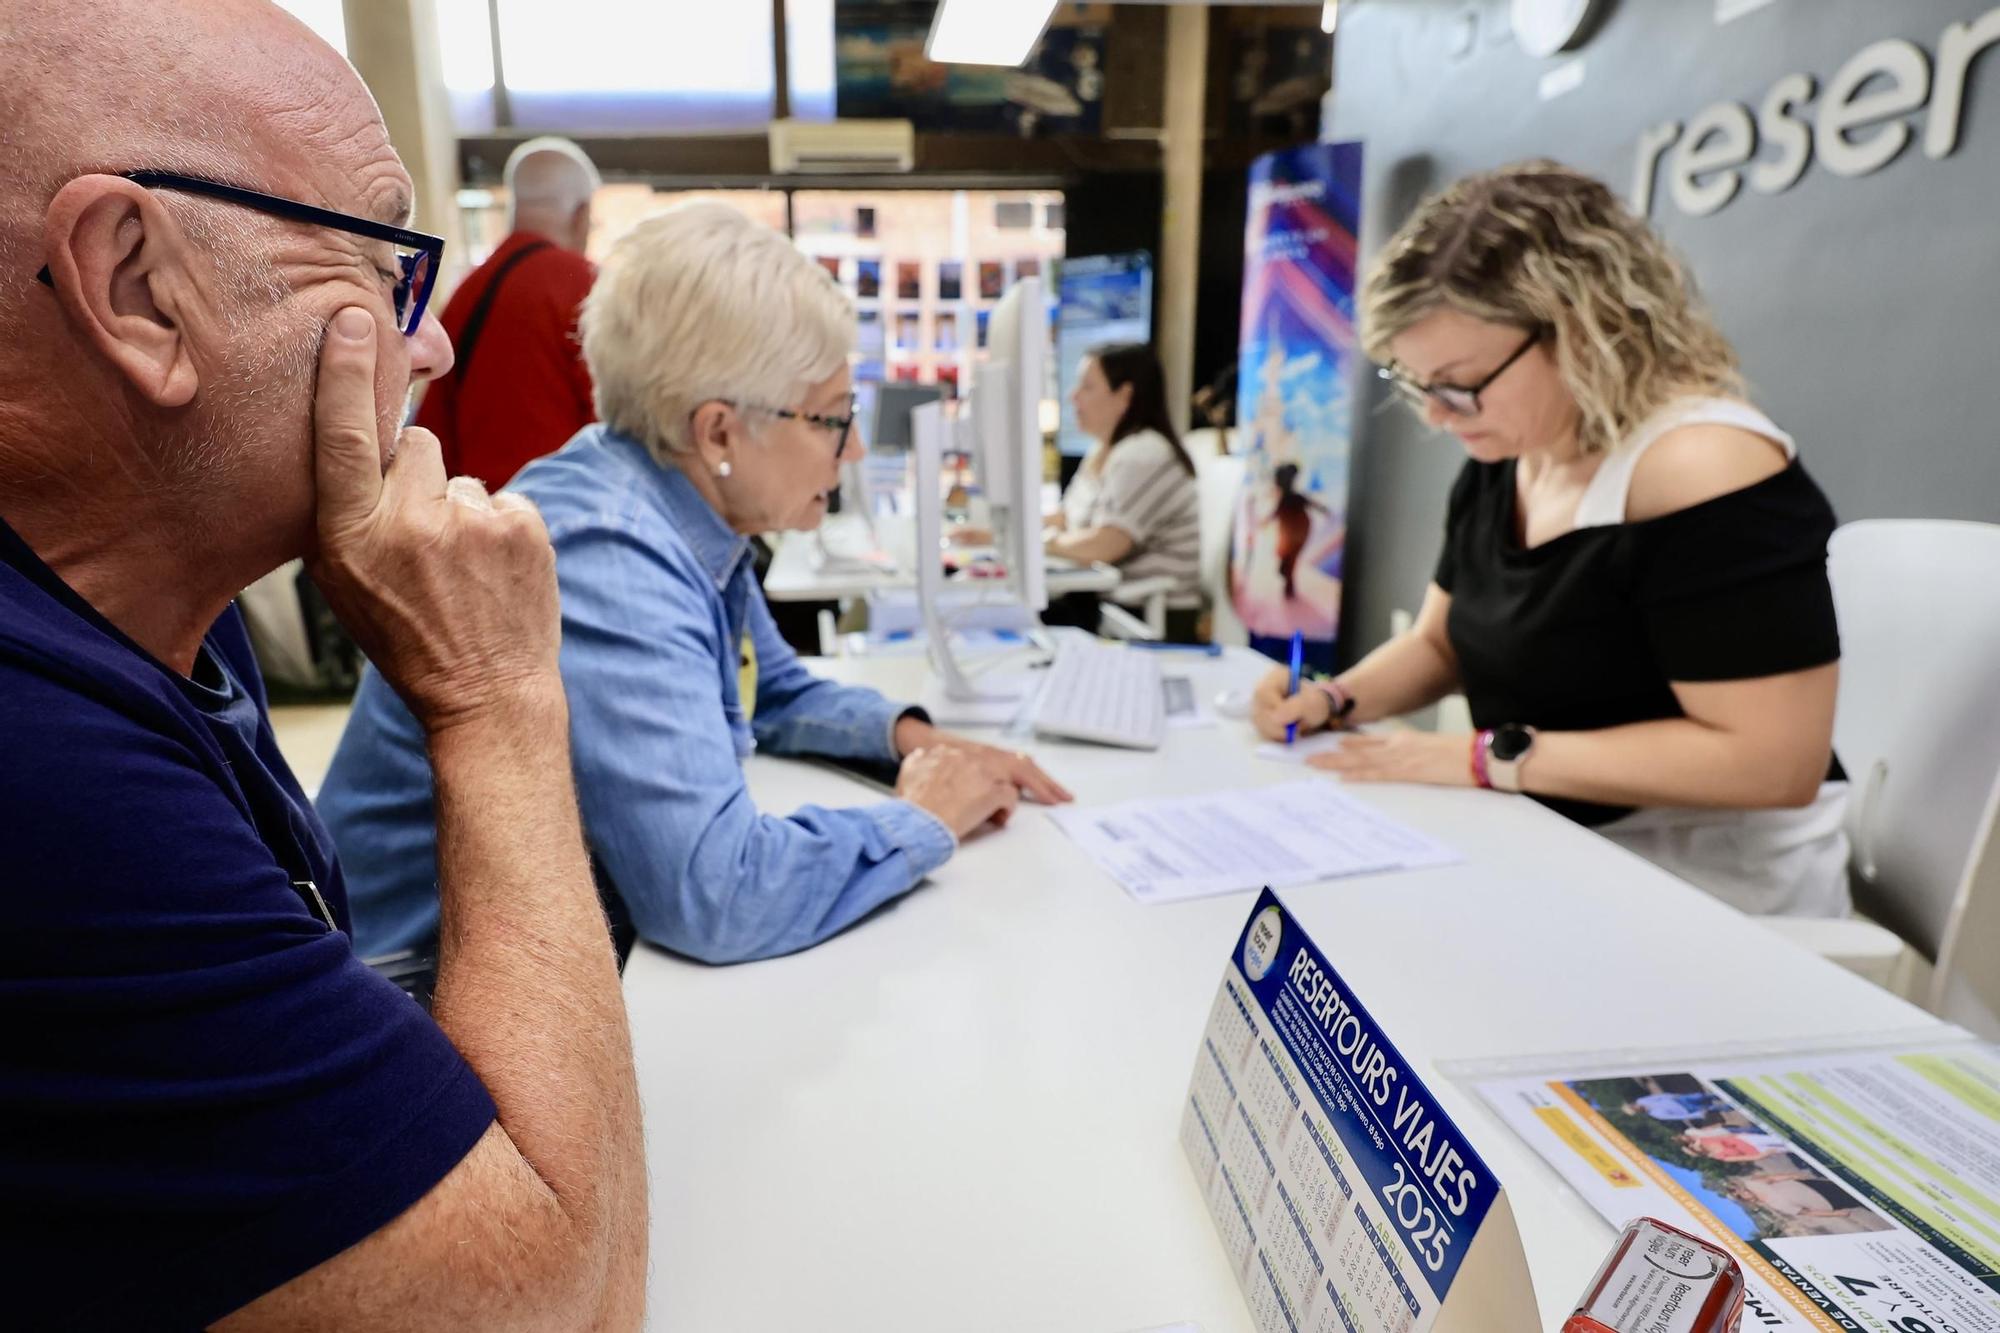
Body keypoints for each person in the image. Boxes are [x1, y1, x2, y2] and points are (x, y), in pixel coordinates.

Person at [0, 2, 646, 1327]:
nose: (433, 346)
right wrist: (497, 695)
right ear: (134, 286)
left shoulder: (169, 604)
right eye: (382, 266)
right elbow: (565, 1303)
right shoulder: (40, 775)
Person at [319, 201, 1072, 965]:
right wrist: (924, 817)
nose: (851, 453)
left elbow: (770, 690)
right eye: (833, 419)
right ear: (718, 433)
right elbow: (717, 895)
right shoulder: (607, 550)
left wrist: (921, 743)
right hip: (413, 988)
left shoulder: (671, 500)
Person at [1252, 161, 1849, 918]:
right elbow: (1441, 646)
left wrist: (1487, 758)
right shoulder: (1510, 448)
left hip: (1714, 883)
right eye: (1417, 383)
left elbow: (1771, 763)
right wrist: (1334, 698)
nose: (1437, 415)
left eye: (1458, 382)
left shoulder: (1703, 468)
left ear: (1582, 330)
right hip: (1559, 839)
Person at [961, 343, 1203, 641]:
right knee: (995, 614)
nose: (1073, 396)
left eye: (1087, 387)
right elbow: (1067, 518)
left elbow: (1103, 545)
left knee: (996, 622)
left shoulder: (1143, 454)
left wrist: (1039, 543)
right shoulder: (1104, 451)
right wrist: (998, 534)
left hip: (1143, 615)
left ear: (1124, 396)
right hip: (1110, 605)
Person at [412, 136, 600, 488]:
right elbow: (613, 420)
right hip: (565, 512)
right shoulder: (586, 285)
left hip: (474, 511)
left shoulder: (467, 291)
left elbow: (433, 427)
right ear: (581, 215)